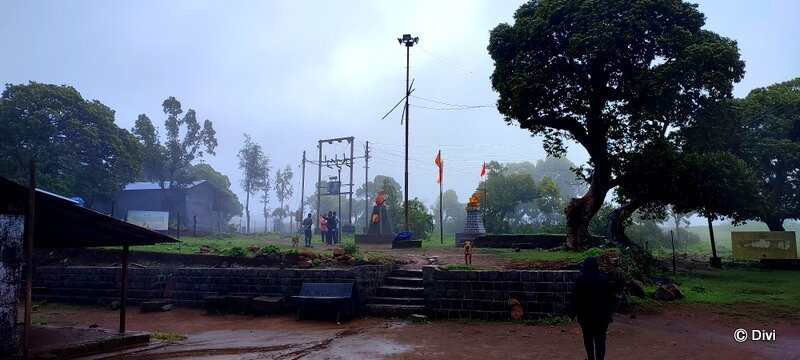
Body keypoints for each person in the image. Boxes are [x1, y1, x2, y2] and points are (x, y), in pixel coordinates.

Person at [570, 256, 614, 360]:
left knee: (588, 337)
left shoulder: (580, 279)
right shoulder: (604, 279)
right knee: (601, 339)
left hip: (585, 315)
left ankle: (590, 357)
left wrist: (573, 312)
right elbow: (610, 297)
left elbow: (575, 298)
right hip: (602, 315)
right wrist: (610, 311)